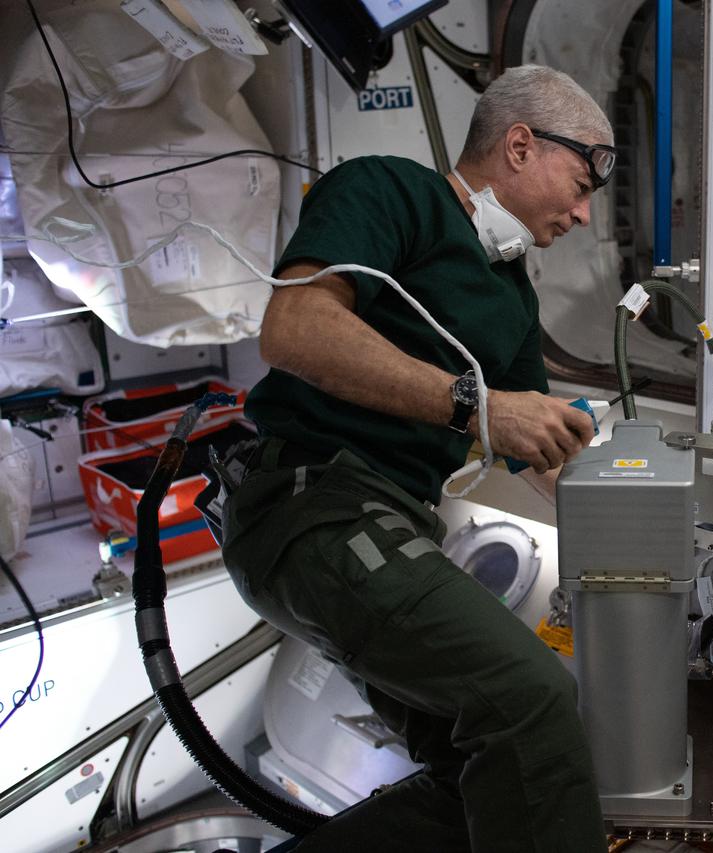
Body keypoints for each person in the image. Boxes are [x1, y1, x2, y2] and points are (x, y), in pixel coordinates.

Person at [220, 65, 614, 852]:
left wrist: (657, 523)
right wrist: (478, 406)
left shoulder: (509, 291)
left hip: (387, 520)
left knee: (478, 774)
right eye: (578, 183)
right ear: (520, 144)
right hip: (313, 503)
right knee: (530, 699)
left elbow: (543, 444)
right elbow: (292, 329)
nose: (582, 211)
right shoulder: (390, 192)